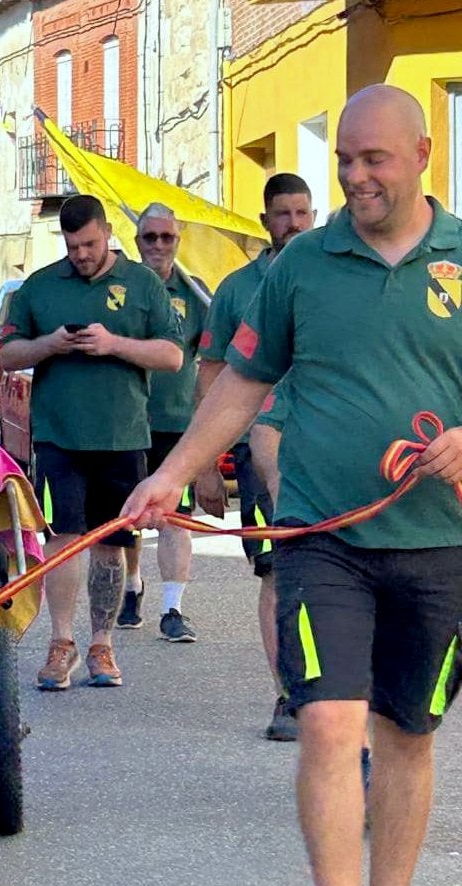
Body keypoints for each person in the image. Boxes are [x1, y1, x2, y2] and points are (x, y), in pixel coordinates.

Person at [124, 85, 462, 886]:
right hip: (323, 536)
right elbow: (243, 382)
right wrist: (175, 472)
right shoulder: (301, 268)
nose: (354, 176)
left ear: (423, 153)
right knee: (328, 725)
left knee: (409, 736)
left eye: (373, 160)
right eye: (344, 160)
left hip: (441, 544)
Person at [0, 194, 183, 691]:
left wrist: (113, 344)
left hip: (122, 436)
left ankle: (102, 645)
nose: (81, 254)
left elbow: (171, 356)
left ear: (107, 233)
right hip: (59, 435)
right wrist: (50, 345)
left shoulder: (143, 284)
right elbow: (8, 354)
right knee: (62, 539)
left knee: (112, 541)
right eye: (72, 245)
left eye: (89, 243)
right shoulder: (40, 287)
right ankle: (61, 644)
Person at [194, 172, 316, 740]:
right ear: (264, 220)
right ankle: (286, 693)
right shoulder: (238, 290)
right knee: (276, 571)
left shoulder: (331, 275)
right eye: (283, 214)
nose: (293, 224)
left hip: (332, 446)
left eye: (303, 213)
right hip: (258, 446)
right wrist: (203, 465)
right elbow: (214, 374)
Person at [117, 204, 208, 643]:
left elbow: (213, 356)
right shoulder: (124, 287)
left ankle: (173, 609)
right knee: (133, 515)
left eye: (166, 237)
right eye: (149, 237)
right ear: (137, 241)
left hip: (177, 421)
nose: (157, 245)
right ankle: (133, 583)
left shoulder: (195, 292)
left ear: (177, 240)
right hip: (128, 420)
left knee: (177, 517)